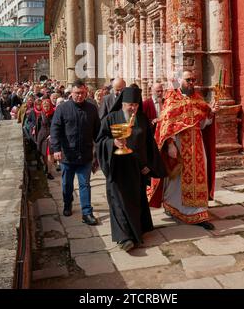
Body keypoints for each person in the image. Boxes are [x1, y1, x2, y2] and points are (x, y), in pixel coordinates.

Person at [96, 87, 166, 252]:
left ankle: (136, 231)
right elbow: (100, 141)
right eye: (129, 104)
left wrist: (149, 166)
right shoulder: (110, 118)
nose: (132, 108)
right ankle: (124, 238)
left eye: (135, 104)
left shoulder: (142, 119)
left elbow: (150, 145)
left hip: (137, 170)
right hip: (117, 168)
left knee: (135, 202)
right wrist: (113, 143)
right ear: (122, 104)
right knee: (119, 202)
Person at [148, 71, 219, 230]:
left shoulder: (198, 99)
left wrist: (211, 114)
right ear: (180, 81)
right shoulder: (172, 99)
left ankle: (198, 212)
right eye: (188, 80)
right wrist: (171, 145)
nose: (192, 82)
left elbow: (203, 124)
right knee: (177, 179)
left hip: (197, 144)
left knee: (199, 176)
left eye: (194, 79)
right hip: (179, 144)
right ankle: (174, 207)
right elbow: (166, 126)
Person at [50, 80, 100, 225]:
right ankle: (67, 203)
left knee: (85, 184)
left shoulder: (91, 108)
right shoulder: (63, 108)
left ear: (86, 93)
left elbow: (97, 130)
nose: (79, 96)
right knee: (67, 184)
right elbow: (55, 129)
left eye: (82, 93)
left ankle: (87, 213)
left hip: (85, 155)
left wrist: (103, 146)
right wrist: (56, 149)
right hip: (67, 155)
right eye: (77, 93)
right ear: (71, 93)